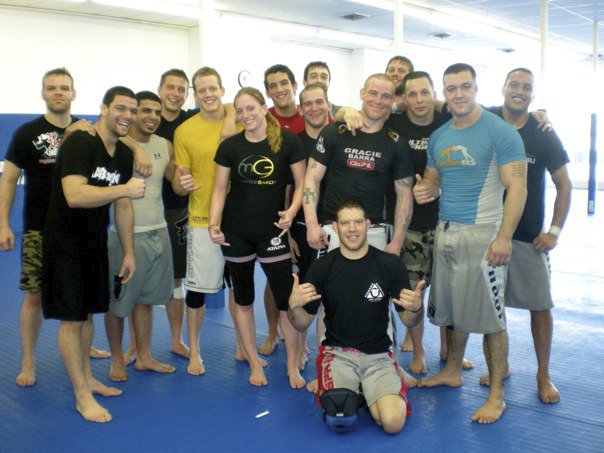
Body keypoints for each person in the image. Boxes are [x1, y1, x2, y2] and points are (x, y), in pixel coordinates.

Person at [414, 63, 527, 424]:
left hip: (484, 234)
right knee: (454, 310)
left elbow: (518, 187)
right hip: (446, 232)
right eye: (451, 88)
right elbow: (433, 179)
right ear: (443, 95)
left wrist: (504, 237)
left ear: (477, 88)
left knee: (492, 320)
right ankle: (451, 370)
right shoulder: (440, 136)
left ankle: (497, 394)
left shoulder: (499, 131)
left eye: (465, 86)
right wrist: (425, 189)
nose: (459, 94)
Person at [0, 68, 114, 387]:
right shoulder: (26, 133)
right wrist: (2, 225)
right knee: (34, 295)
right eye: (52, 88)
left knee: (85, 295)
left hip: (80, 230)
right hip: (39, 229)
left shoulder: (87, 131)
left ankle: (85, 345)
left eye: (64, 87)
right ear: (43, 94)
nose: (58, 92)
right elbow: (8, 179)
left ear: (74, 94)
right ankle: (27, 359)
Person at [303, 73, 415, 394]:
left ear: (392, 101)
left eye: (386, 96)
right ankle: (328, 367)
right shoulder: (335, 131)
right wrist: (311, 223)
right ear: (362, 93)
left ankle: (390, 365)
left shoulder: (396, 143)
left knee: (381, 302)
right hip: (332, 229)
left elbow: (404, 194)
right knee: (327, 302)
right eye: (373, 94)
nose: (378, 101)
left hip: (375, 231)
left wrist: (396, 240)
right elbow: (311, 180)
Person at [42, 86, 145, 423]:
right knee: (72, 319)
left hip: (94, 243)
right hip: (64, 244)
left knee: (87, 316)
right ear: (103, 108)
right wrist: (125, 189)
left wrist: (128, 251)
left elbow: (124, 204)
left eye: (132, 110)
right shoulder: (80, 143)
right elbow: (74, 194)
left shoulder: (124, 154)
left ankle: (86, 377)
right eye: (121, 108)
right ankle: (81, 394)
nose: (127, 116)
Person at [288, 199, 424, 434]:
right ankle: (354, 391)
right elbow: (301, 324)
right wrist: (293, 306)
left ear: (368, 224)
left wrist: (416, 309)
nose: (352, 229)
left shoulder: (389, 264)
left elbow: (408, 321)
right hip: (338, 354)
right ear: (335, 227)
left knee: (392, 424)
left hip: (378, 355)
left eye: (358, 222)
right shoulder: (322, 268)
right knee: (340, 420)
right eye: (345, 223)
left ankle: (362, 391)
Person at [478, 68, 571, 404]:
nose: (519, 91)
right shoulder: (484, 119)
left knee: (540, 308)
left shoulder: (542, 132)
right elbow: (440, 104)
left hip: (529, 238)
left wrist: (554, 232)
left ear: (533, 95)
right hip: (489, 234)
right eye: (514, 84)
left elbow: (564, 185)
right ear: (503, 88)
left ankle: (543, 374)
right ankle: (500, 367)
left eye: (526, 88)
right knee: (492, 308)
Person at [209, 87, 307, 388]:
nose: (245, 115)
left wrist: (291, 212)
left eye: (250, 108)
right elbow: (219, 189)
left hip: (272, 231)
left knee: (285, 302)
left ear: (264, 108)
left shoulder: (288, 142)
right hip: (236, 233)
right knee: (244, 300)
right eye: (239, 111)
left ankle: (292, 367)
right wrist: (214, 224)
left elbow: (303, 184)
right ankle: (254, 363)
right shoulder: (230, 147)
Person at [385, 71, 474, 373]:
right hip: (409, 225)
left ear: (435, 94)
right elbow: (354, 113)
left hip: (447, 221)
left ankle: (451, 350)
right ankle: (420, 351)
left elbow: (486, 111)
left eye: (425, 93)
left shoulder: (449, 122)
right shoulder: (393, 124)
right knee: (414, 291)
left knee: (449, 291)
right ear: (404, 99)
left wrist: (539, 113)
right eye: (412, 94)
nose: (419, 100)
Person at [172, 67, 245, 375]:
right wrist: (181, 186)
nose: (208, 94)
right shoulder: (185, 131)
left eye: (212, 88)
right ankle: (195, 352)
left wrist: (230, 116)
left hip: (240, 217)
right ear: (195, 93)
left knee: (239, 288)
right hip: (202, 218)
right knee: (198, 290)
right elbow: (178, 182)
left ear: (222, 89)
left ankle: (244, 347)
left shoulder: (242, 119)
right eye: (201, 90)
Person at [105, 91, 176, 381]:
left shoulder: (164, 144)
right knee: (117, 303)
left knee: (146, 300)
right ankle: (117, 358)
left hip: (158, 232)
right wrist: (135, 149)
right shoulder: (117, 143)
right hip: (125, 237)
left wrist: (183, 180)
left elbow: (175, 181)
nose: (152, 117)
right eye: (145, 110)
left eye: (157, 112)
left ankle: (144, 356)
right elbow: (85, 128)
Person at [264, 64, 305, 133]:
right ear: (267, 93)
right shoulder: (263, 120)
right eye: (273, 86)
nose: (279, 90)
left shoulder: (310, 114)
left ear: (294, 87)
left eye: (284, 83)